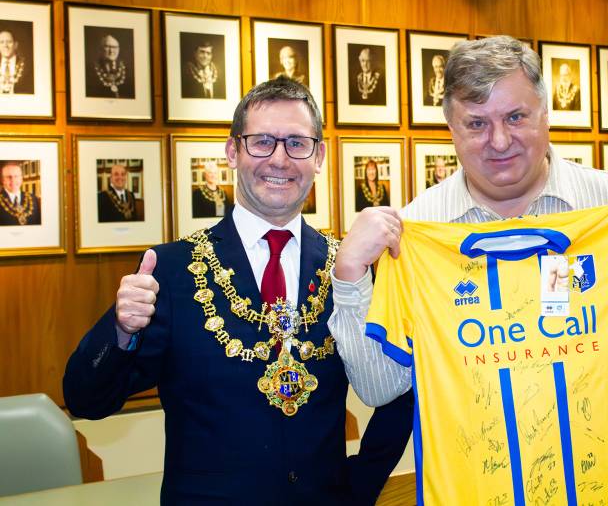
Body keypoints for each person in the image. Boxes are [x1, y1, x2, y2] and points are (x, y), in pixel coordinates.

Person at [327, 35, 608, 411]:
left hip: (597, 460)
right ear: (451, 129)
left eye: (516, 117)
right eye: (477, 123)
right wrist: (350, 277)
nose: (500, 141)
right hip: (475, 464)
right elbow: (380, 388)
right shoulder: (414, 232)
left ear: (546, 114)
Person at [64, 76, 413, 504]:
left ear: (319, 156)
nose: (280, 159)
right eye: (262, 142)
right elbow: (85, 400)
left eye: (297, 143)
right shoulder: (172, 270)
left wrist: (359, 486)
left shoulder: (350, 267)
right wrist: (120, 329)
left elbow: (399, 391)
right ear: (233, 151)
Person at [86, 34, 133, 99]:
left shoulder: (127, 70)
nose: (111, 51)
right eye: (107, 47)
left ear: (119, 49)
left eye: (115, 47)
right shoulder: (90, 71)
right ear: (100, 49)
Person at [0, 161, 41, 225]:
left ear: (21, 179)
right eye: (8, 177)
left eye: (16, 176)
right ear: (2, 180)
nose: (13, 180)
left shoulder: (33, 198)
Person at [0, 29, 33, 95]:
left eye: (9, 42)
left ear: (15, 45)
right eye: (1, 42)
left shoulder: (27, 66)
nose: (5, 46)